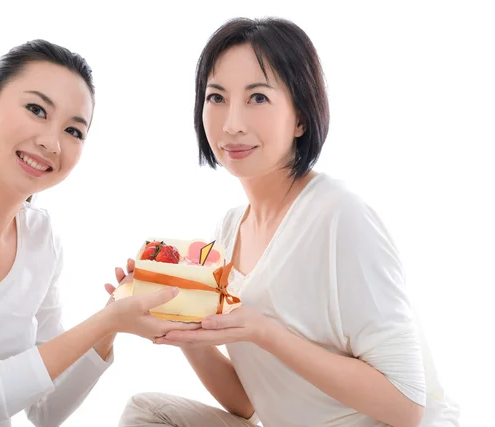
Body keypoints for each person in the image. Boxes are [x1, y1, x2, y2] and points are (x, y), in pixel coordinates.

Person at [116, 17, 461, 427]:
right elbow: (247, 404)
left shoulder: (339, 216)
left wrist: (265, 332)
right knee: (148, 413)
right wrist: (181, 326)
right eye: (216, 97)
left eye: (257, 98)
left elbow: (407, 407)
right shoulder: (228, 232)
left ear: (300, 117)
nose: (232, 124)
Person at [0, 39, 198, 427]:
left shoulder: (41, 239)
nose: (51, 142)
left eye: (74, 130)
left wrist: (110, 326)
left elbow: (45, 410)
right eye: (36, 110)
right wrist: (101, 324)